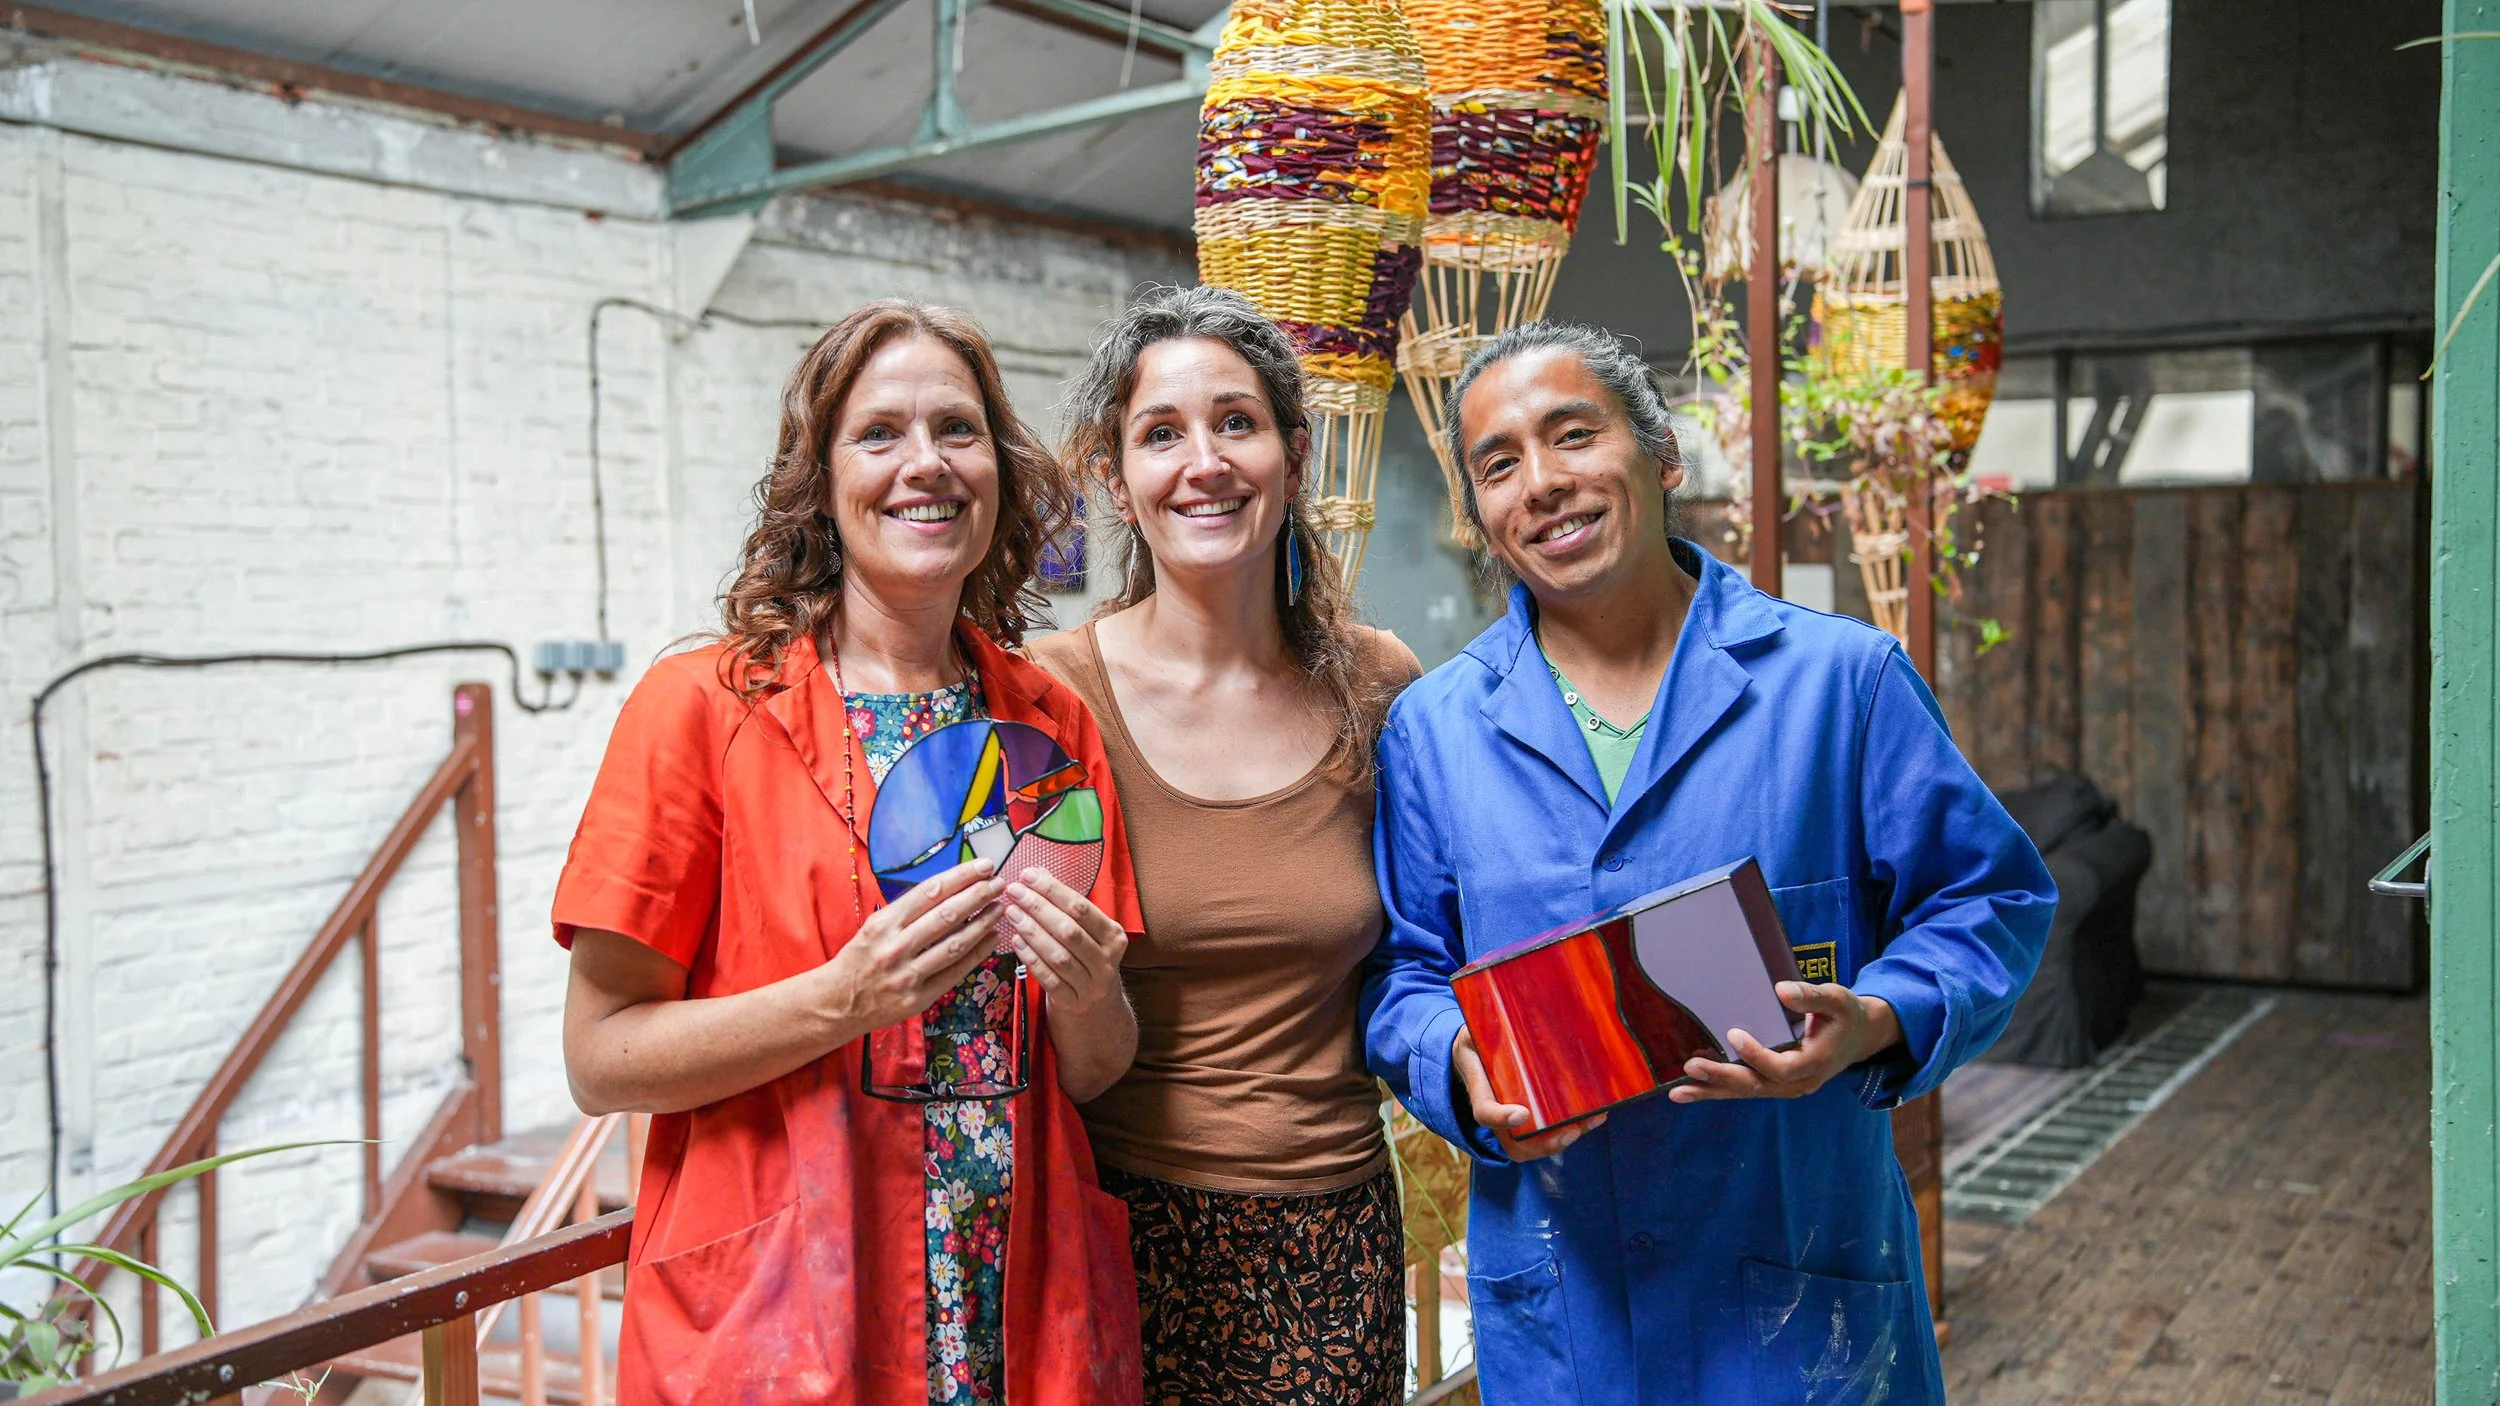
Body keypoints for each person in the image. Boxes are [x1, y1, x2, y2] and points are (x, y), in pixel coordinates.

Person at [1362, 322, 2055, 1405]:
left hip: (1792, 1296)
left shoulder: (1839, 684)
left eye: (1572, 435)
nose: (1541, 483)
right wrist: (1458, 1056)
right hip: (1566, 1306)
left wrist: (1874, 1018)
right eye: (1499, 463)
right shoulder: (1433, 733)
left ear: (1662, 454)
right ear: (1480, 514)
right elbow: (1402, 971)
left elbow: (1991, 898)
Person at [556, 300, 1147, 1406]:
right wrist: (840, 999)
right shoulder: (700, 709)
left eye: (958, 430)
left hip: (1012, 1303)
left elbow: (1099, 1065)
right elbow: (600, 1057)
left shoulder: (1049, 723)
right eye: (879, 433)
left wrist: (1089, 987)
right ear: (820, 480)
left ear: (999, 472)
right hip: (792, 1316)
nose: (925, 463)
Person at [1026, 284, 1420, 1405]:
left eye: (1236, 422)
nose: (1203, 460)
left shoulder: (1377, 684)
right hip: (1106, 1220)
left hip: (1328, 1230)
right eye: (1161, 432)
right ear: (1114, 477)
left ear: (1294, 455)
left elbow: (1444, 940)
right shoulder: (1046, 696)